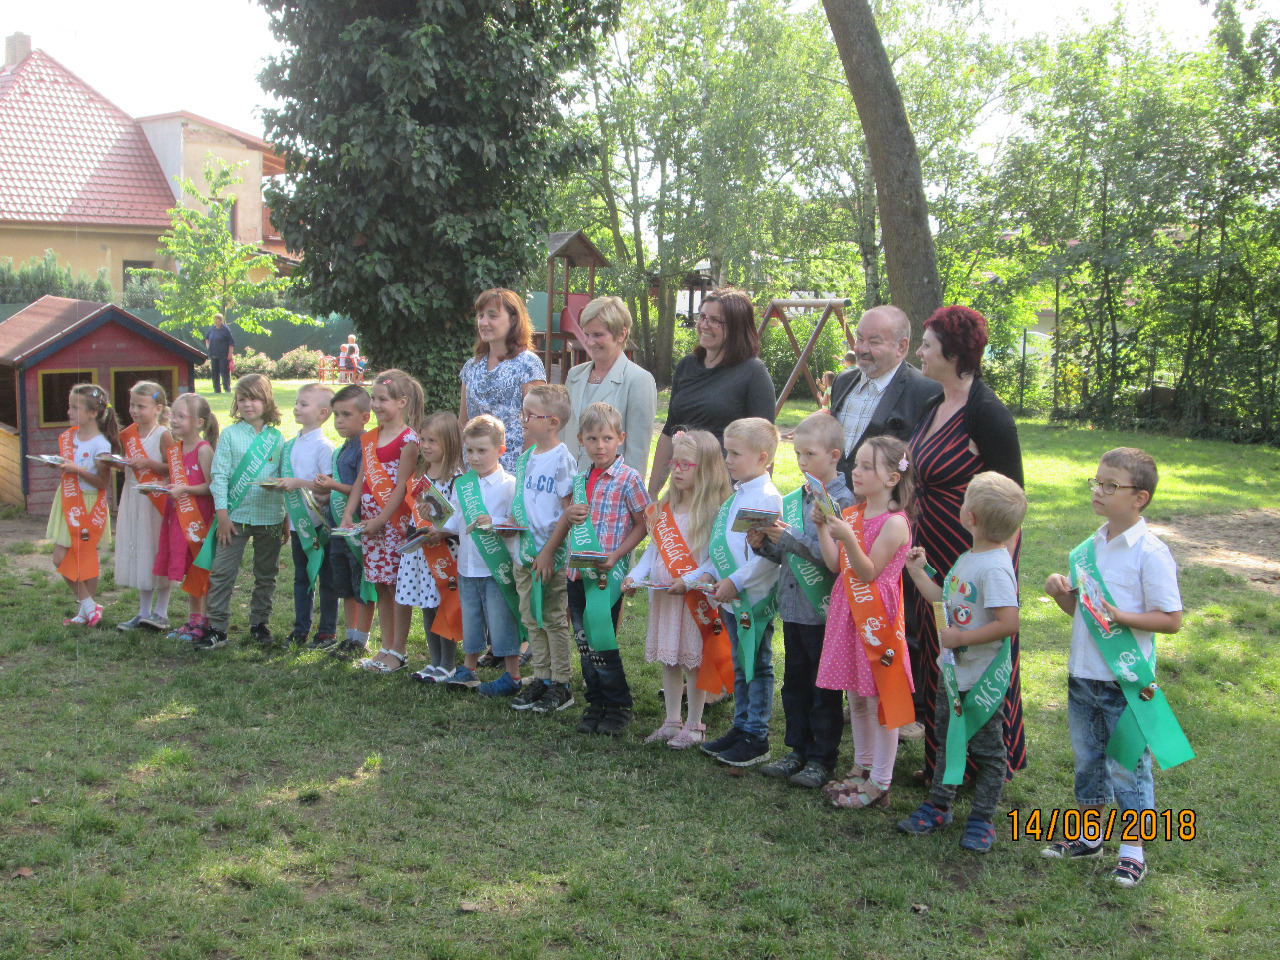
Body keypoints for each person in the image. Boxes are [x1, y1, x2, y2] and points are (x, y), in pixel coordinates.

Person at [1041, 448, 1190, 888]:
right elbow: (1085, 615)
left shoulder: (1151, 553)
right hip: (1083, 675)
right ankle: (1088, 837)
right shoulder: (1087, 550)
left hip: (1126, 683)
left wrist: (1122, 616)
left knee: (1128, 767)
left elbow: (1172, 620)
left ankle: (1133, 852)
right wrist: (1060, 594)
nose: (1099, 491)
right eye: (1097, 482)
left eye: (1111, 485)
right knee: (1088, 762)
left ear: (1139, 498)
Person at [906, 305, 1027, 785]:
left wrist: (1000, 567)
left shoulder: (988, 415)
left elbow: (1013, 500)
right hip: (930, 548)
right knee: (937, 649)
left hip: (972, 552)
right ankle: (941, 763)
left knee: (977, 654)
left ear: (953, 354)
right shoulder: (932, 403)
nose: (919, 352)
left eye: (927, 345)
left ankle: (984, 765)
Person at [899, 472, 1027, 853]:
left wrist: (961, 639)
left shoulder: (995, 568)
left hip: (980, 682)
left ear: (970, 517)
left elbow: (1009, 623)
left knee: (989, 753)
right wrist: (917, 571)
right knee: (947, 740)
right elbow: (943, 601)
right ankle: (939, 805)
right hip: (953, 674)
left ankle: (982, 818)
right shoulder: (970, 558)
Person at [750, 412, 855, 788]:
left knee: (822, 688)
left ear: (834, 455)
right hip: (794, 608)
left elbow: (836, 561)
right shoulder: (798, 497)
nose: (802, 461)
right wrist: (764, 545)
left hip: (823, 611)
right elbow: (788, 555)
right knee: (794, 683)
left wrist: (790, 540)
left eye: (810, 454)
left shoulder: (844, 501)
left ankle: (821, 758)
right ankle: (797, 749)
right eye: (798, 454)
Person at [813, 435, 914, 808]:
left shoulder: (895, 523)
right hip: (848, 615)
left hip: (876, 620)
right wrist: (824, 528)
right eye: (857, 464)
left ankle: (881, 783)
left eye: (867, 467)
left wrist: (847, 537)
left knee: (878, 701)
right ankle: (863, 766)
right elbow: (834, 564)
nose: (856, 471)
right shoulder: (853, 514)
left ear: (892, 478)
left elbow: (869, 572)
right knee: (856, 696)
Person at [624, 429, 733, 748]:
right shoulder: (664, 507)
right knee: (669, 659)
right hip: (665, 599)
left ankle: (695, 724)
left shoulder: (715, 511)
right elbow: (654, 552)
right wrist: (635, 576)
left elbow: (715, 561)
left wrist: (689, 579)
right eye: (674, 463)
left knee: (693, 661)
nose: (677, 470)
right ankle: (672, 721)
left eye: (686, 464)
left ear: (707, 468)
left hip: (695, 601)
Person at [686, 417, 783, 767]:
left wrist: (736, 582)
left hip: (753, 600)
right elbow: (723, 548)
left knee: (757, 665)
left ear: (762, 458)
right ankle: (740, 727)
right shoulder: (736, 496)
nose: (728, 460)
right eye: (727, 452)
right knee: (741, 665)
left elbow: (768, 558)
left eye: (735, 453)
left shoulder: (768, 498)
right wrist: (705, 574)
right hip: (730, 599)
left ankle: (756, 735)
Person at [559, 402, 652, 736]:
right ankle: (595, 701)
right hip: (576, 575)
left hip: (605, 576)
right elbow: (572, 521)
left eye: (607, 438)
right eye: (592, 439)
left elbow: (644, 524)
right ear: (581, 440)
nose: (600, 445)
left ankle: (618, 705)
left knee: (601, 638)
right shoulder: (580, 480)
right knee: (584, 641)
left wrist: (617, 556)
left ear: (620, 439)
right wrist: (569, 514)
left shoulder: (630, 479)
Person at [649, 288, 776, 499]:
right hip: (684, 490)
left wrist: (756, 503)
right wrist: (652, 493)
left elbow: (765, 446)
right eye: (702, 317)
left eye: (715, 320)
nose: (704, 325)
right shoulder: (686, 366)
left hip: (724, 493)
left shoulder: (754, 373)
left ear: (736, 326)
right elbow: (670, 430)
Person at [340, 370, 423, 674]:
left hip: (394, 523)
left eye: (382, 399)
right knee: (381, 585)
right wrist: (349, 512)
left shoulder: (409, 439)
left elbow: (402, 486)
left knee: (397, 586)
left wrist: (381, 519)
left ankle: (399, 650)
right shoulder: (369, 437)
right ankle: (386, 647)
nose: (375, 404)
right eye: (373, 398)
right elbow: (361, 478)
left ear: (402, 402)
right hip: (370, 523)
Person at [434, 414, 523, 695]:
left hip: (495, 568)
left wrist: (494, 522)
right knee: (471, 619)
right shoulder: (463, 484)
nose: (474, 457)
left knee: (502, 620)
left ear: (500, 450)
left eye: (482, 450)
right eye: (470, 450)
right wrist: (435, 516)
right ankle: (468, 668)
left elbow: (517, 524)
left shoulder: (510, 485)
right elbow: (454, 522)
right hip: (467, 567)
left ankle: (513, 675)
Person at [504, 385, 579, 714]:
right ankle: (542, 677)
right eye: (523, 413)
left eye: (529, 414)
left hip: (550, 557)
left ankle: (562, 683)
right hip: (524, 554)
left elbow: (568, 512)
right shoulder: (525, 459)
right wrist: (510, 522)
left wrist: (549, 552)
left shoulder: (562, 460)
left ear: (552, 422)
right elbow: (522, 501)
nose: (523, 419)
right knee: (530, 617)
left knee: (552, 618)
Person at [199, 374, 286, 651]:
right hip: (233, 517)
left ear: (267, 401)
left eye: (254, 399)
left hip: (270, 516)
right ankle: (217, 627)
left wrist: (285, 519)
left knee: (266, 573)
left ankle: (259, 623)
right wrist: (222, 515)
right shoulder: (230, 435)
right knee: (222, 572)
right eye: (242, 399)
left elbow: (283, 479)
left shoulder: (277, 438)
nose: (248, 404)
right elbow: (219, 476)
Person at [828, 305, 942, 489]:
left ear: (901, 346)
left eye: (874, 342)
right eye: (859, 339)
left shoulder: (925, 392)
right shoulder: (842, 381)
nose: (862, 349)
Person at [313, 385, 377, 658]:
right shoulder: (341, 449)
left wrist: (333, 486)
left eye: (346, 415)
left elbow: (361, 488)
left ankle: (362, 639)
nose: (339, 421)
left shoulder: (365, 447)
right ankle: (350, 636)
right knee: (346, 586)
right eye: (336, 414)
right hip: (339, 529)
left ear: (365, 417)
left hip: (357, 529)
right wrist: (324, 497)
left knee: (361, 584)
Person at [402, 411, 465, 683]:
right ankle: (434, 661)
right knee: (428, 605)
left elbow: (460, 519)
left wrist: (441, 530)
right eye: (423, 440)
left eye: (432, 441)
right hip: (422, 553)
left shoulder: (457, 478)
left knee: (445, 605)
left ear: (449, 443)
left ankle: (447, 664)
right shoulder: (421, 476)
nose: (425, 446)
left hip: (445, 553)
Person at [564, 296, 657, 477]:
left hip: (610, 488)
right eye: (587, 334)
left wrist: (626, 491)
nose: (589, 342)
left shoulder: (639, 380)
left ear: (621, 334)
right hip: (568, 483)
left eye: (598, 335)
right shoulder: (574, 375)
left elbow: (638, 453)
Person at [49, 384, 118, 626]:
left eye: (75, 407)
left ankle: (87, 607)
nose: (69, 411)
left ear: (93, 413)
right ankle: (88, 608)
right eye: (70, 406)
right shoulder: (71, 437)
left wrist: (76, 469)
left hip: (87, 503)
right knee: (63, 556)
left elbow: (103, 483)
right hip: (68, 499)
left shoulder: (101, 445)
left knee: (79, 557)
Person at [275, 384, 338, 651]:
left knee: (327, 579)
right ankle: (301, 628)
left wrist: (298, 483)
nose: (297, 408)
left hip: (320, 524)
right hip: (297, 524)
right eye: (297, 403)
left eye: (304, 404)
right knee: (302, 577)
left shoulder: (324, 447)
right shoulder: (291, 445)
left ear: (322, 413)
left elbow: (328, 486)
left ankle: (327, 631)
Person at [459, 288, 547, 472]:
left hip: (512, 474)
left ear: (513, 319)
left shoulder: (528, 364)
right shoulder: (471, 367)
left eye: (492, 316)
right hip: (474, 472)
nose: (483, 322)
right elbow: (463, 423)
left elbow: (536, 424)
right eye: (481, 316)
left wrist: (524, 475)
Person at [155, 393, 218, 645]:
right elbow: (177, 480)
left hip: (199, 519)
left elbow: (211, 487)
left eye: (181, 416)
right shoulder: (175, 450)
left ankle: (206, 621)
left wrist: (185, 490)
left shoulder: (203, 450)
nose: (174, 420)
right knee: (190, 568)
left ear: (199, 422)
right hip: (179, 518)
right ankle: (194, 618)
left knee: (202, 568)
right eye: (172, 415)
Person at [112, 381, 173, 631]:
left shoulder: (163, 434)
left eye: (141, 406)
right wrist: (118, 463)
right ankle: (143, 612)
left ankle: (161, 612)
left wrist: (147, 464)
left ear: (158, 408)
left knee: (157, 550)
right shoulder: (129, 434)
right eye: (132, 405)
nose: (134, 410)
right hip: (133, 497)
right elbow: (128, 464)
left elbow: (172, 468)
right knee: (141, 552)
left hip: (155, 501)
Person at [204, 314, 236, 394]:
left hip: (223, 355)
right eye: (214, 319)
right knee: (214, 372)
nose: (215, 321)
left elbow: (231, 343)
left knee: (224, 372)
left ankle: (227, 389)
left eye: (217, 320)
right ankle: (216, 390)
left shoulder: (226, 329)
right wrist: (208, 346)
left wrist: (230, 354)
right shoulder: (212, 329)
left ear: (221, 320)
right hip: (213, 354)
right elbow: (207, 338)